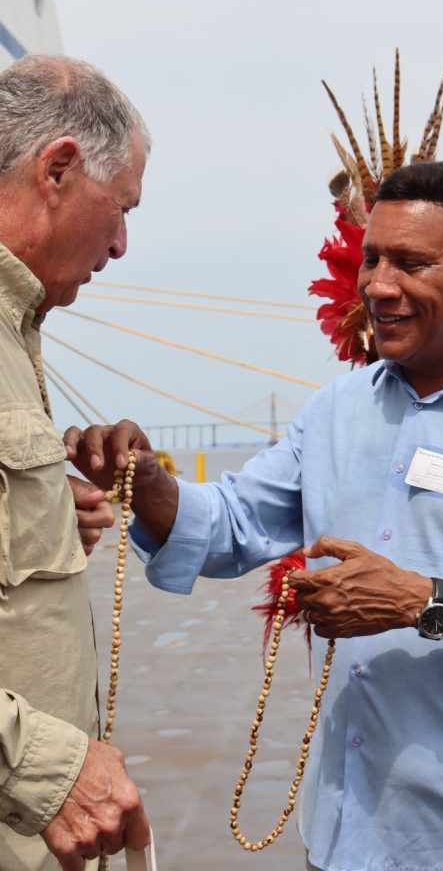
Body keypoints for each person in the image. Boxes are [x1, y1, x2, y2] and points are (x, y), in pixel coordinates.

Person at [66, 161, 443, 871]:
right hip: (344, 839)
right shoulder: (340, 410)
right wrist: (149, 483)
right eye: (372, 258)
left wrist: (424, 603)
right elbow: (233, 525)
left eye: (412, 263)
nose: (378, 285)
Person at [0, 55, 152, 871]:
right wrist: (47, 766)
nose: (123, 244)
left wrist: (43, 528)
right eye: (120, 207)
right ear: (58, 168)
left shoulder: (17, 333)